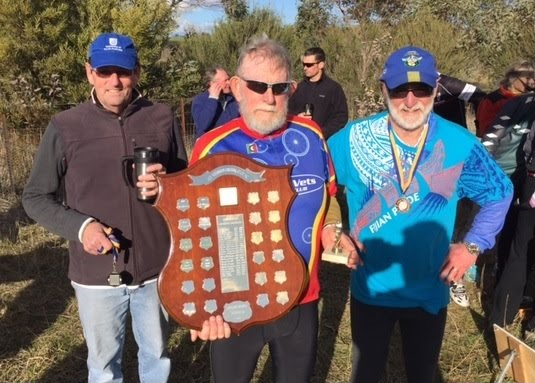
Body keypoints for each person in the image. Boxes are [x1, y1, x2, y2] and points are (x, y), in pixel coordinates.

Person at [327, 46, 513, 383]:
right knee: (365, 374)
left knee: (422, 373)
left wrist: (471, 246)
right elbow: (313, 185)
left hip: (430, 289)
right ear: (384, 88)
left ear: (437, 87)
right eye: (400, 89)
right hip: (372, 288)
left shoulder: (459, 142)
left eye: (422, 89)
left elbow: (499, 193)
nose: (410, 101)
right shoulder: (352, 139)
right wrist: (331, 228)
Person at [179, 36, 358, 383]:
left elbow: (328, 197)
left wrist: (332, 232)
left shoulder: (311, 136)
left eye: (279, 87)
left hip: (300, 297)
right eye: (258, 85)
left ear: (291, 88)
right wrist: (203, 303)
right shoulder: (212, 146)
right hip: (235, 303)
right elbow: (193, 229)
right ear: (236, 86)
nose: (269, 97)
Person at [21, 32, 188, 383]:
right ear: (89, 73)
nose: (114, 81)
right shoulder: (65, 126)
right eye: (104, 71)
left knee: (156, 358)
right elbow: (35, 197)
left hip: (157, 268)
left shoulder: (160, 117)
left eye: (123, 71)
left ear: (137, 73)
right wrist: (81, 228)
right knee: (103, 367)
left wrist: (167, 185)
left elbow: (184, 185)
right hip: (96, 274)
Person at [433, 74, 486, 308]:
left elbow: (482, 96)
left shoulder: (449, 84)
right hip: (426, 155)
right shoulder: (410, 87)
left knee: (459, 212)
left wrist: (480, 127)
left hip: (456, 152)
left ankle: (457, 275)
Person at [488, 92, 535, 337]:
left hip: (531, 178)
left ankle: (501, 320)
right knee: (520, 248)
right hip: (531, 178)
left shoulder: (526, 100)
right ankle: (512, 322)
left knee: (520, 249)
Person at [288, 47, 348, 140]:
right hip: (299, 140)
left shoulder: (333, 88)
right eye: (303, 64)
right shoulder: (299, 88)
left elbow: (341, 117)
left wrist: (321, 132)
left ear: (321, 65)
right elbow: (287, 112)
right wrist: (297, 117)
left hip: (324, 142)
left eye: (309, 65)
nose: (305, 68)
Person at [476, 60, 534, 138]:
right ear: (513, 78)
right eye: (527, 78)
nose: (530, 82)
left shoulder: (529, 99)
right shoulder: (493, 100)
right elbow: (486, 132)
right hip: (498, 146)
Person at [192, 65, 240, 139]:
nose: (229, 83)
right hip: (211, 147)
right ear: (213, 84)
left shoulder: (232, 100)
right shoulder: (200, 100)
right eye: (225, 80)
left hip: (231, 146)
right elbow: (203, 125)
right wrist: (212, 99)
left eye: (228, 79)